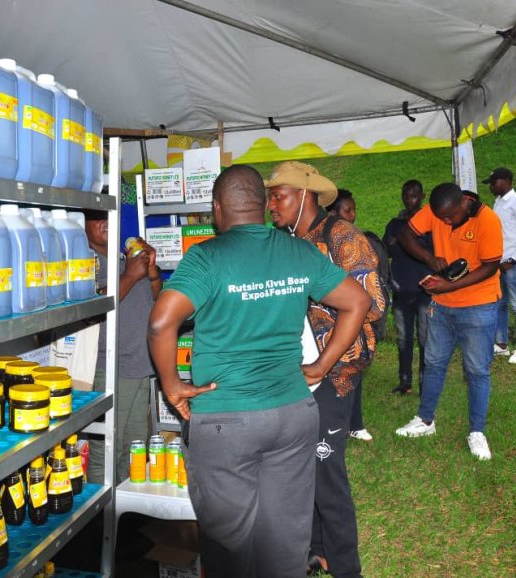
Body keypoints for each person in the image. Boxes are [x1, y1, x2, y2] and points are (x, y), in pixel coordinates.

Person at [148, 165, 370, 578]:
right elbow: (358, 302)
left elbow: (162, 323)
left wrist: (172, 385)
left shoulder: (207, 257)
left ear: (217, 209)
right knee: (285, 543)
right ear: (264, 205)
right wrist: (321, 365)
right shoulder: (298, 251)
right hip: (292, 414)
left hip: (226, 420)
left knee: (229, 549)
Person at [267, 161, 385, 578]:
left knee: (325, 463)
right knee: (303, 463)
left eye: (278, 196)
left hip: (337, 370)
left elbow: (371, 305)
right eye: (269, 197)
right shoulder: (289, 241)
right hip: (300, 369)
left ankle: (346, 566)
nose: (271, 205)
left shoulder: (342, 236)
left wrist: (322, 361)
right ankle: (316, 551)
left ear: (304, 195)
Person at [393, 183, 503, 461]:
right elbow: (406, 235)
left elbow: (491, 266)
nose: (445, 222)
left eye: (450, 216)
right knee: (433, 363)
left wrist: (449, 286)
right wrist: (429, 258)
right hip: (442, 307)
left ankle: (477, 432)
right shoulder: (437, 211)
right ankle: (425, 420)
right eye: (441, 218)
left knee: (477, 371)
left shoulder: (487, 220)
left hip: (479, 306)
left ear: (463, 204)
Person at [85, 209, 163, 484]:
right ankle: (101, 510)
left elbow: (154, 299)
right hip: (110, 370)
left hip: (138, 368)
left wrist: (152, 274)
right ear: (82, 223)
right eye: (96, 216)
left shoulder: (122, 258)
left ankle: (124, 508)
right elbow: (92, 307)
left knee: (133, 451)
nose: (105, 222)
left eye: (108, 215)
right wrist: (130, 275)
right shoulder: (85, 261)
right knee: (105, 452)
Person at [328, 188, 389, 442]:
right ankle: (338, 426)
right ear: (333, 213)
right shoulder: (326, 243)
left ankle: (355, 423)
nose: (352, 215)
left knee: (355, 371)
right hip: (333, 320)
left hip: (357, 319)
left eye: (354, 210)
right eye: (348, 210)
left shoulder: (355, 240)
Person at [383, 180, 433, 395]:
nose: (409, 199)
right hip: (401, 289)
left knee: (425, 338)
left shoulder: (430, 223)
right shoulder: (395, 223)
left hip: (425, 290)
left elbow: (431, 251)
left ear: (422, 196)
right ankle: (405, 381)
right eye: (405, 195)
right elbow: (388, 249)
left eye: (413, 195)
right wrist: (410, 244)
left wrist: (403, 243)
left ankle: (425, 382)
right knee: (404, 338)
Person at [484, 167, 516, 364]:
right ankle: (502, 344)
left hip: (515, 263)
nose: (491, 187)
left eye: (494, 183)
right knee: (501, 304)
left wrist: (512, 260)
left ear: (506, 181)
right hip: (499, 263)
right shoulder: (498, 203)